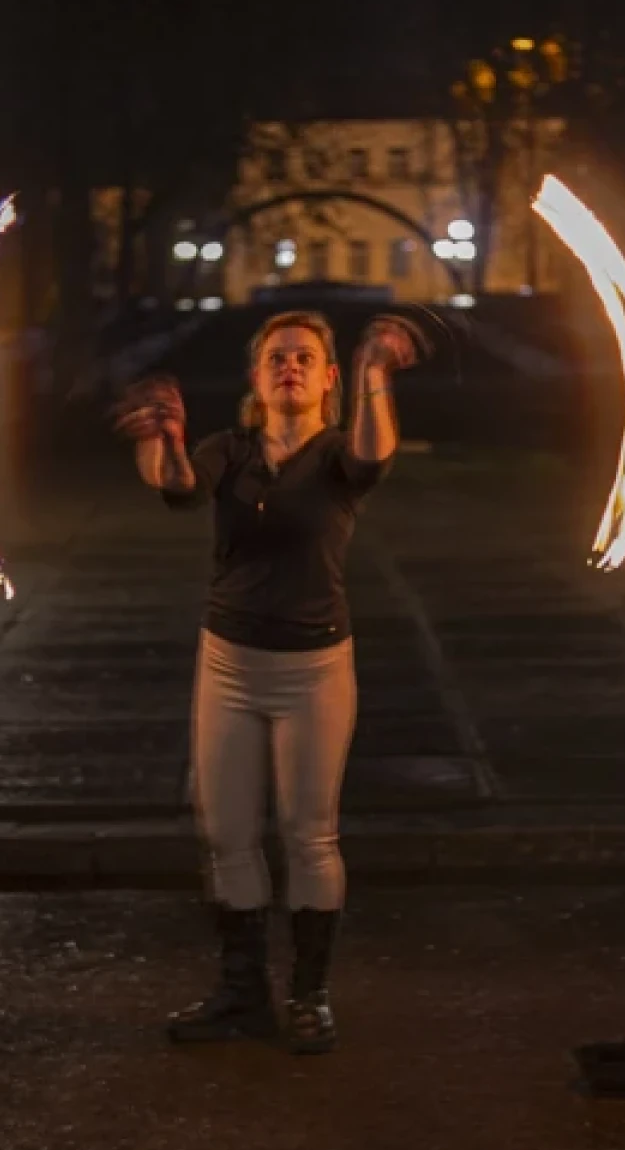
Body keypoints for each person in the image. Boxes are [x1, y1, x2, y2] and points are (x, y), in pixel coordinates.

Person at [115, 308, 418, 1054]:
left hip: (315, 667)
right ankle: (242, 994)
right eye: (276, 357)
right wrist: (162, 441)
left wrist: (378, 375)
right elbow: (178, 487)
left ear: (327, 379)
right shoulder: (230, 451)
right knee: (226, 835)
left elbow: (379, 452)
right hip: (228, 663)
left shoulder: (340, 455)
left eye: (305, 357)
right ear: (255, 378)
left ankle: (309, 996)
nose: (290, 366)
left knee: (310, 836)